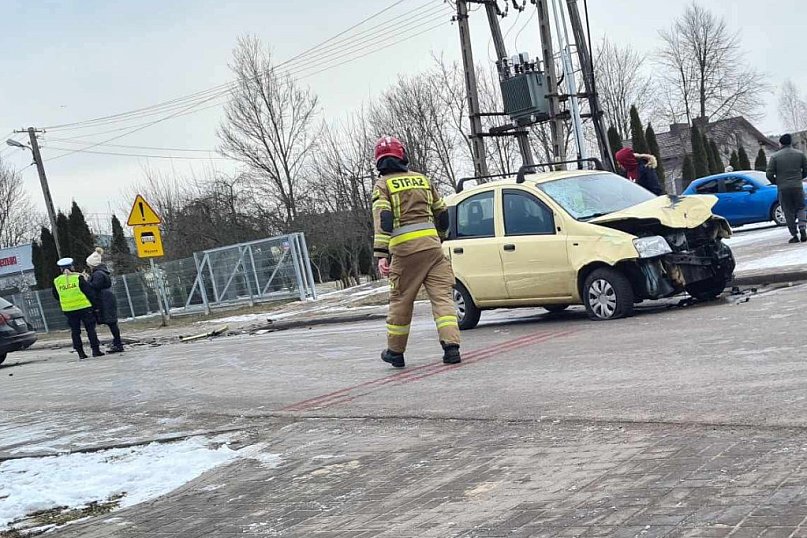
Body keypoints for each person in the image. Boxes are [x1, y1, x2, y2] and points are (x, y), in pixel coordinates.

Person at [371, 136, 460, 368]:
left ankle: (395, 352)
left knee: (401, 300)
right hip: (433, 249)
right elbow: (442, 213)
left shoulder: (382, 186)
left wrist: (381, 254)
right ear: (403, 156)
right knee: (442, 298)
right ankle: (451, 348)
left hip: (405, 252)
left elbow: (384, 220)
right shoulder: (422, 180)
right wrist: (439, 237)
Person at [52, 257, 104, 360]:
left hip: (69, 310)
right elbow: (89, 292)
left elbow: (56, 295)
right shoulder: (78, 278)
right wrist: (96, 306)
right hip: (84, 307)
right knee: (90, 330)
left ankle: (80, 353)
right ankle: (95, 350)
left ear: (61, 269)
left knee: (75, 332)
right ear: (72, 267)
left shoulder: (57, 281)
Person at [767, 133, 807, 244]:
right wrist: (799, 178)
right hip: (797, 186)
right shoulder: (800, 154)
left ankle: (794, 235)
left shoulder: (775, 157)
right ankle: (803, 228)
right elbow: (806, 169)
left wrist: (777, 182)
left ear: (781, 143)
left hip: (783, 188)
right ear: (790, 142)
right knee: (801, 207)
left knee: (788, 210)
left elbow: (769, 174)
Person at [85, 247, 124, 353]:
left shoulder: (98, 274)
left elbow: (94, 286)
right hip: (107, 298)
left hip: (104, 299)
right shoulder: (102, 272)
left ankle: (118, 344)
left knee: (111, 322)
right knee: (112, 322)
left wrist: (86, 281)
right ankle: (117, 343)